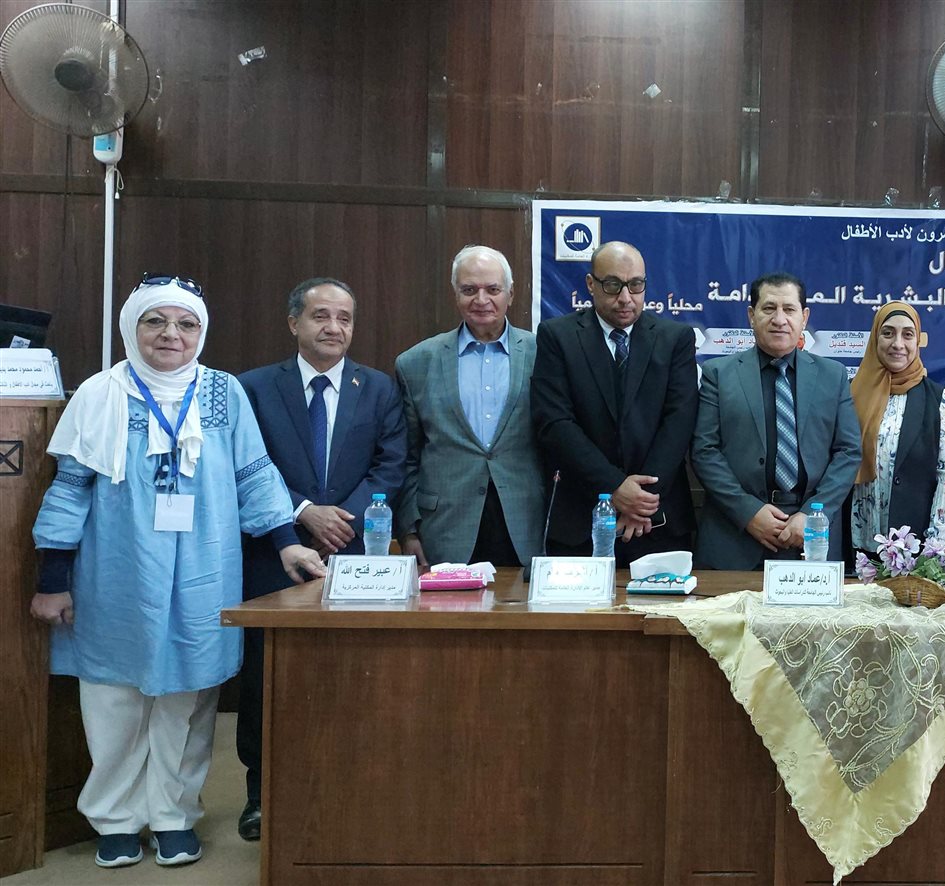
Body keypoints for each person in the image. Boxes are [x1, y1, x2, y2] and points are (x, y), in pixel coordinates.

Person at [28, 278, 324, 870]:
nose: (172, 335)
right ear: (131, 328)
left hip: (204, 566)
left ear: (201, 332)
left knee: (188, 698)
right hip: (117, 568)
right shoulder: (99, 393)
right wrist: (52, 577)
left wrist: (287, 543)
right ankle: (114, 818)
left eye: (186, 324)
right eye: (156, 322)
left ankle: (173, 815)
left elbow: (254, 473)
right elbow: (70, 489)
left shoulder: (224, 392)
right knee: (114, 697)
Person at [234, 277, 405, 840]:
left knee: (350, 672)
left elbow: (391, 465)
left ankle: (349, 786)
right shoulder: (253, 388)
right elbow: (245, 465)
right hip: (274, 549)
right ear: (294, 323)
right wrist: (304, 512)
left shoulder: (378, 388)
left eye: (344, 318)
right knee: (268, 675)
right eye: (320, 316)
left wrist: (341, 519)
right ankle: (260, 794)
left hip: (355, 553)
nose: (334, 328)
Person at [532, 242, 698, 562]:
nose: (625, 298)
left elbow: (679, 423)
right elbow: (554, 424)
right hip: (581, 520)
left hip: (657, 519)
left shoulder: (675, 338)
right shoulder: (558, 336)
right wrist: (615, 488)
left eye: (635, 285)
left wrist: (641, 501)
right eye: (612, 285)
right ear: (590, 284)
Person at [691, 271, 861, 569]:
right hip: (735, 538)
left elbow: (848, 452)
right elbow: (705, 451)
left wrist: (813, 516)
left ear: (804, 318)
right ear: (751, 315)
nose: (779, 319)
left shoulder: (833, 376)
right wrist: (748, 513)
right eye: (769, 308)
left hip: (811, 539)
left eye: (789, 309)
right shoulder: (718, 374)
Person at [394, 245, 547, 570]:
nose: (481, 299)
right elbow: (406, 457)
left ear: (511, 294)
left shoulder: (544, 354)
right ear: (455, 294)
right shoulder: (415, 363)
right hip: (444, 529)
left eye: (492, 289)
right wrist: (407, 530)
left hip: (526, 524)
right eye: (469, 290)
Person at [848, 301, 945, 552]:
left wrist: (936, 544)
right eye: (888, 333)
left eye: (908, 335)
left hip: (913, 549)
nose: (898, 343)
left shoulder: (936, 400)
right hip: (854, 545)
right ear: (875, 338)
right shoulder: (851, 393)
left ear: (917, 341)